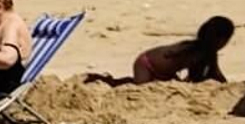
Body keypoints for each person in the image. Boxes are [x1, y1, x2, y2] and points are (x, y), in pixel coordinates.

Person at [87, 16, 234, 87]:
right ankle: (110, 82)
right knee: (139, 88)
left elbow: (215, 73)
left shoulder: (204, 50)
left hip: (164, 71)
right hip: (146, 64)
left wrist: (224, 84)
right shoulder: (197, 52)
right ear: (221, 40)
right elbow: (198, 77)